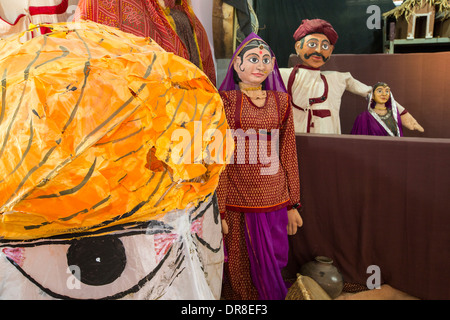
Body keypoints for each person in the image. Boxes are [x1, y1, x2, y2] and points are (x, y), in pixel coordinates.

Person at [217, 32, 303, 300]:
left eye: (266, 59)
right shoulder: (225, 102)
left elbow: (288, 152)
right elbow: (219, 158)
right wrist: (219, 210)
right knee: (239, 268)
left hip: (275, 196)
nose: (260, 65)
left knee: (274, 259)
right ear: (236, 64)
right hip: (236, 198)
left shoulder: (281, 102)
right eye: (253, 58)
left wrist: (292, 204)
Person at [279, 18, 424, 134]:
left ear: (330, 51)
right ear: (298, 46)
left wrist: (402, 113)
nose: (318, 50)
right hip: (294, 144)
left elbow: (371, 92)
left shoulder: (339, 78)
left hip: (329, 144)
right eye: (312, 44)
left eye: (324, 46)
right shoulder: (283, 75)